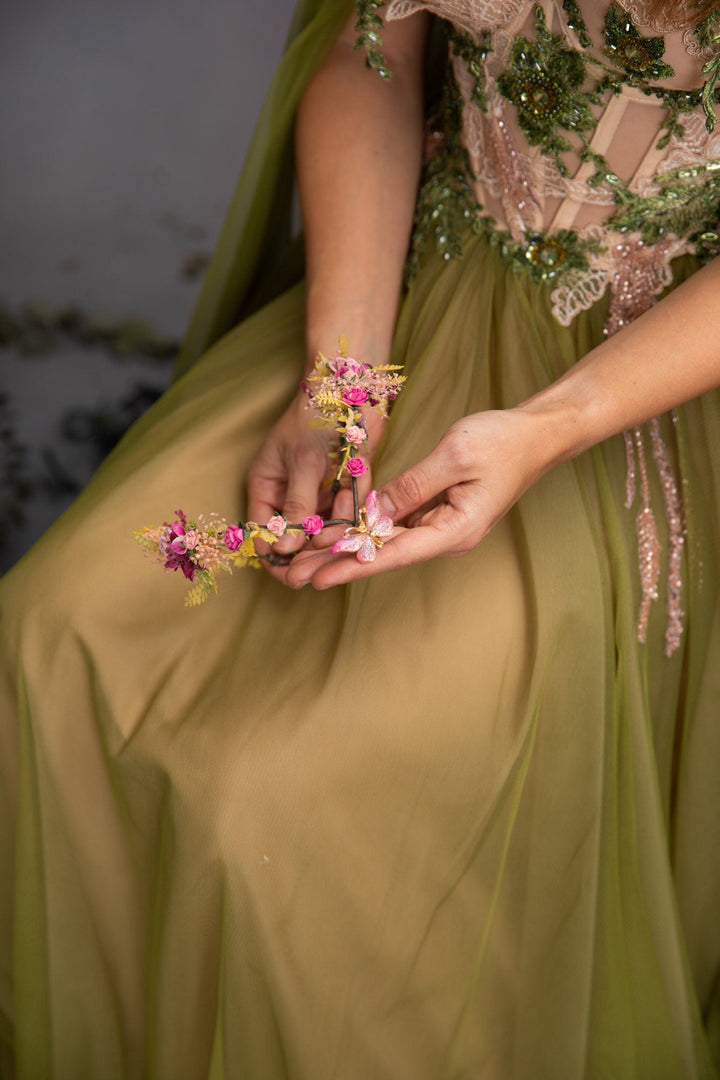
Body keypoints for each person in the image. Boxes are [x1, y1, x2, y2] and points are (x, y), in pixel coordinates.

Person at [2, 0, 720, 1076]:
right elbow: (365, 46)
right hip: (401, 292)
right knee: (51, 634)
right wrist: (343, 382)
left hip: (633, 393)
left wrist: (550, 426)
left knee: (284, 815)